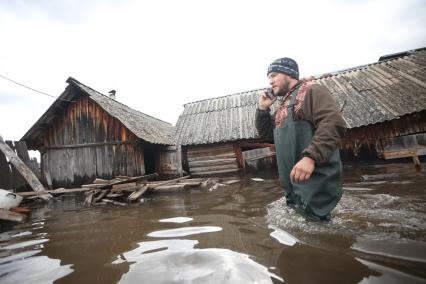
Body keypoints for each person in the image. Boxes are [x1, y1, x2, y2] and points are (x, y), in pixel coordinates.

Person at [255, 57, 347, 221]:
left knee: (320, 229)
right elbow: (268, 136)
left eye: (274, 75)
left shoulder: (312, 91)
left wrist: (310, 157)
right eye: (269, 77)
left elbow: (333, 123)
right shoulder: (282, 106)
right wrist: (262, 109)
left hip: (313, 179)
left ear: (289, 74)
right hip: (293, 185)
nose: (270, 82)